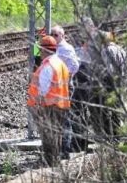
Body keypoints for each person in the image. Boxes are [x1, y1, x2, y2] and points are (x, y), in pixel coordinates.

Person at [27, 36, 71, 166]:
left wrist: (38, 104)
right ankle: (55, 160)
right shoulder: (60, 63)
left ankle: (49, 160)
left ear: (44, 50)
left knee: (48, 134)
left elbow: (43, 89)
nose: (39, 52)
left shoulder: (48, 65)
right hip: (61, 103)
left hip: (49, 105)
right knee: (56, 134)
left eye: (40, 49)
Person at [50, 25, 80, 158]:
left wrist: (65, 77)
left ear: (62, 35)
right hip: (54, 88)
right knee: (56, 118)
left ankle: (66, 149)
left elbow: (75, 66)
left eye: (55, 35)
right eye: (52, 34)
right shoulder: (51, 48)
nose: (53, 37)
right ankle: (59, 148)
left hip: (65, 86)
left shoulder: (66, 48)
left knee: (65, 118)